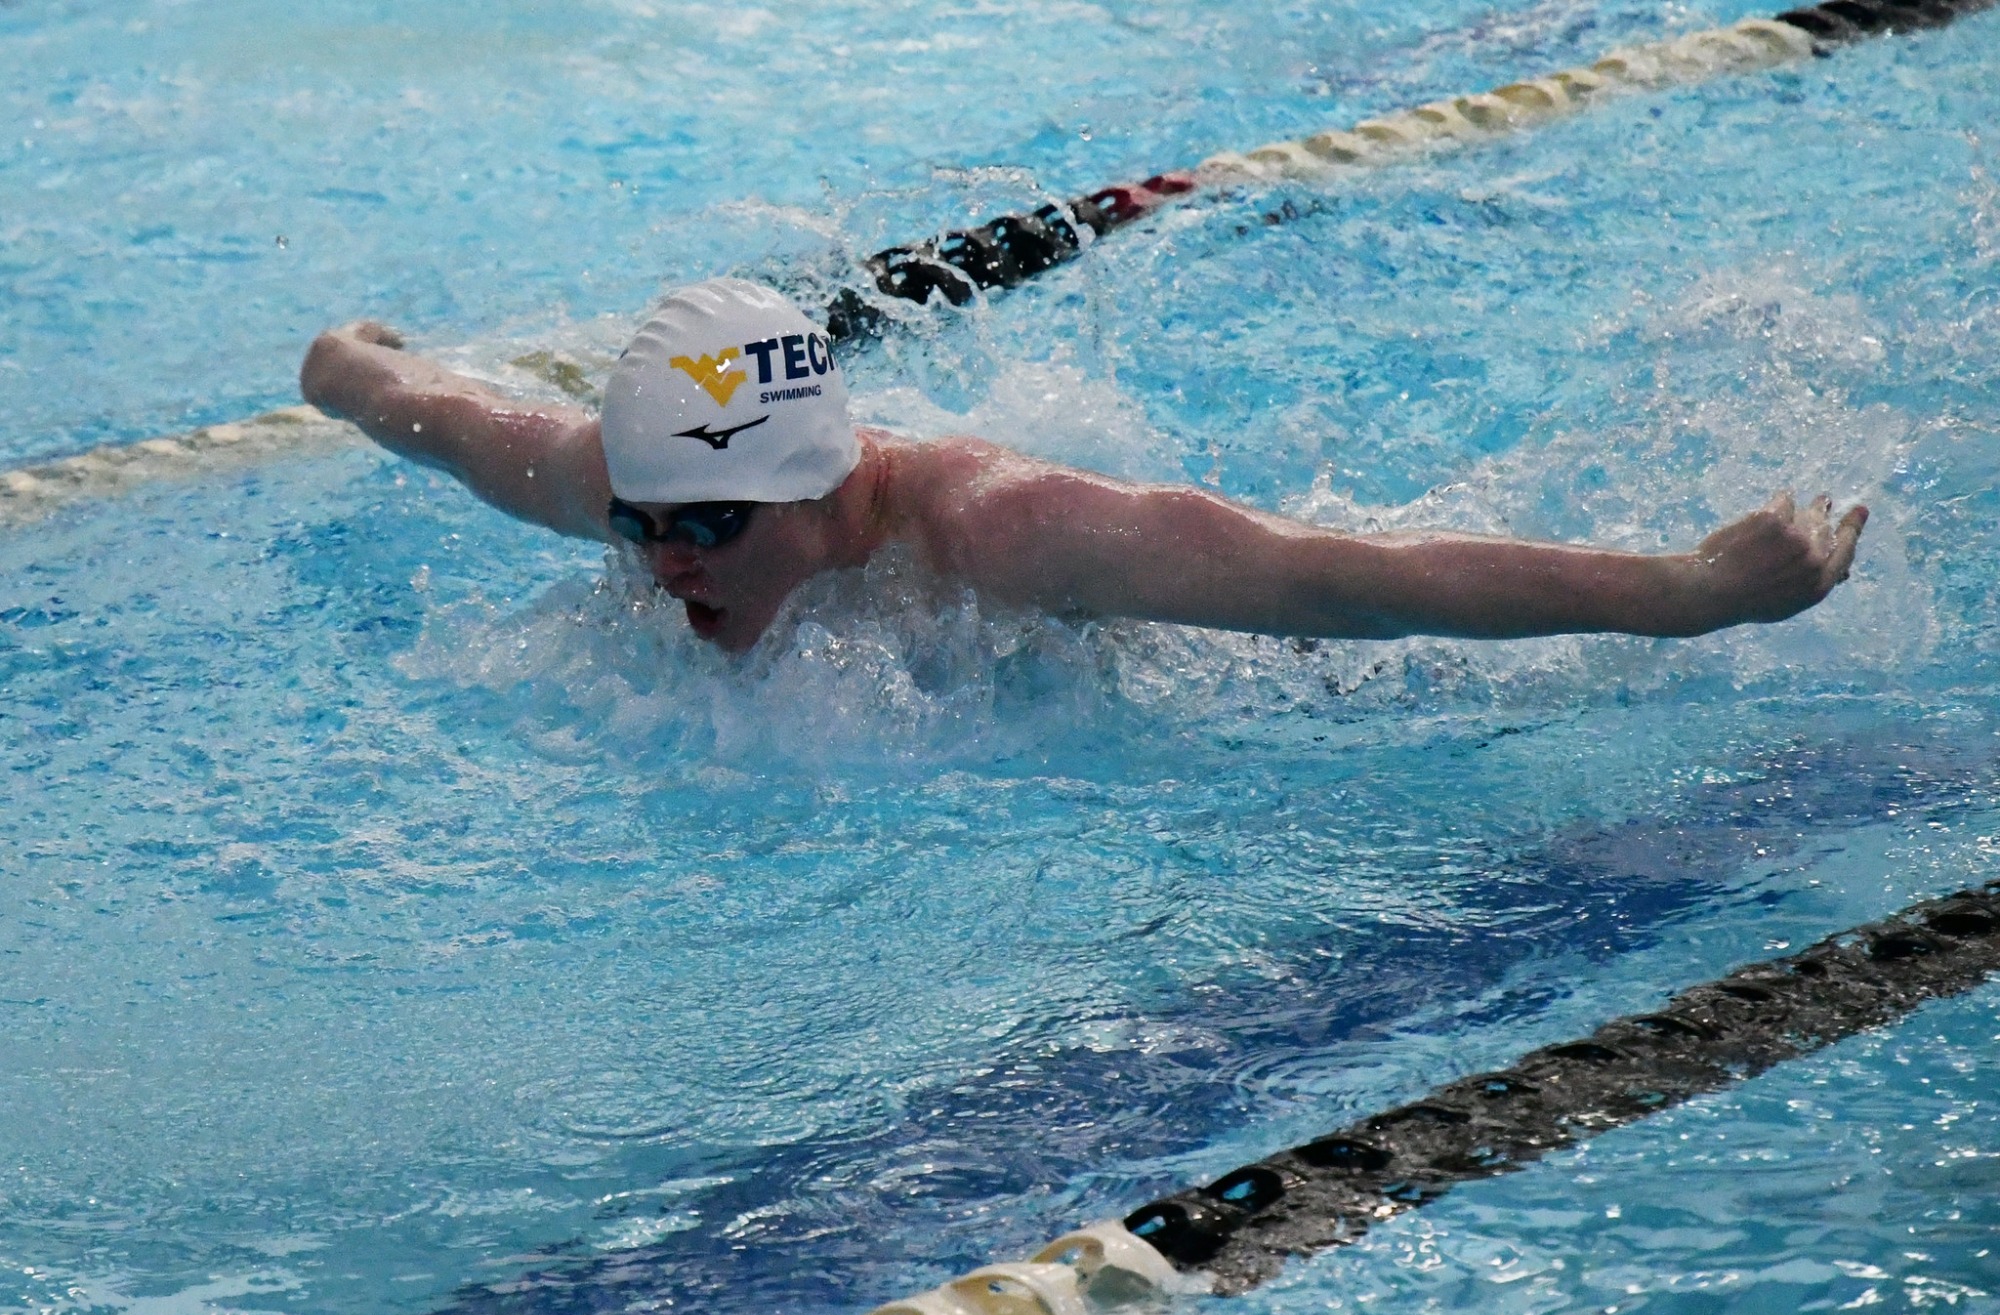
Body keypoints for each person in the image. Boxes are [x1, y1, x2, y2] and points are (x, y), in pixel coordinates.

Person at [299, 278, 1867, 655]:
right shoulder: (626, 485)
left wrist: (1692, 590)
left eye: (707, 522)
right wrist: (349, 364)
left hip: (1234, 663)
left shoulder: (1005, 533)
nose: (663, 565)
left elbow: (1334, 575)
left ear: (829, 484)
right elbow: (429, 409)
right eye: (642, 526)